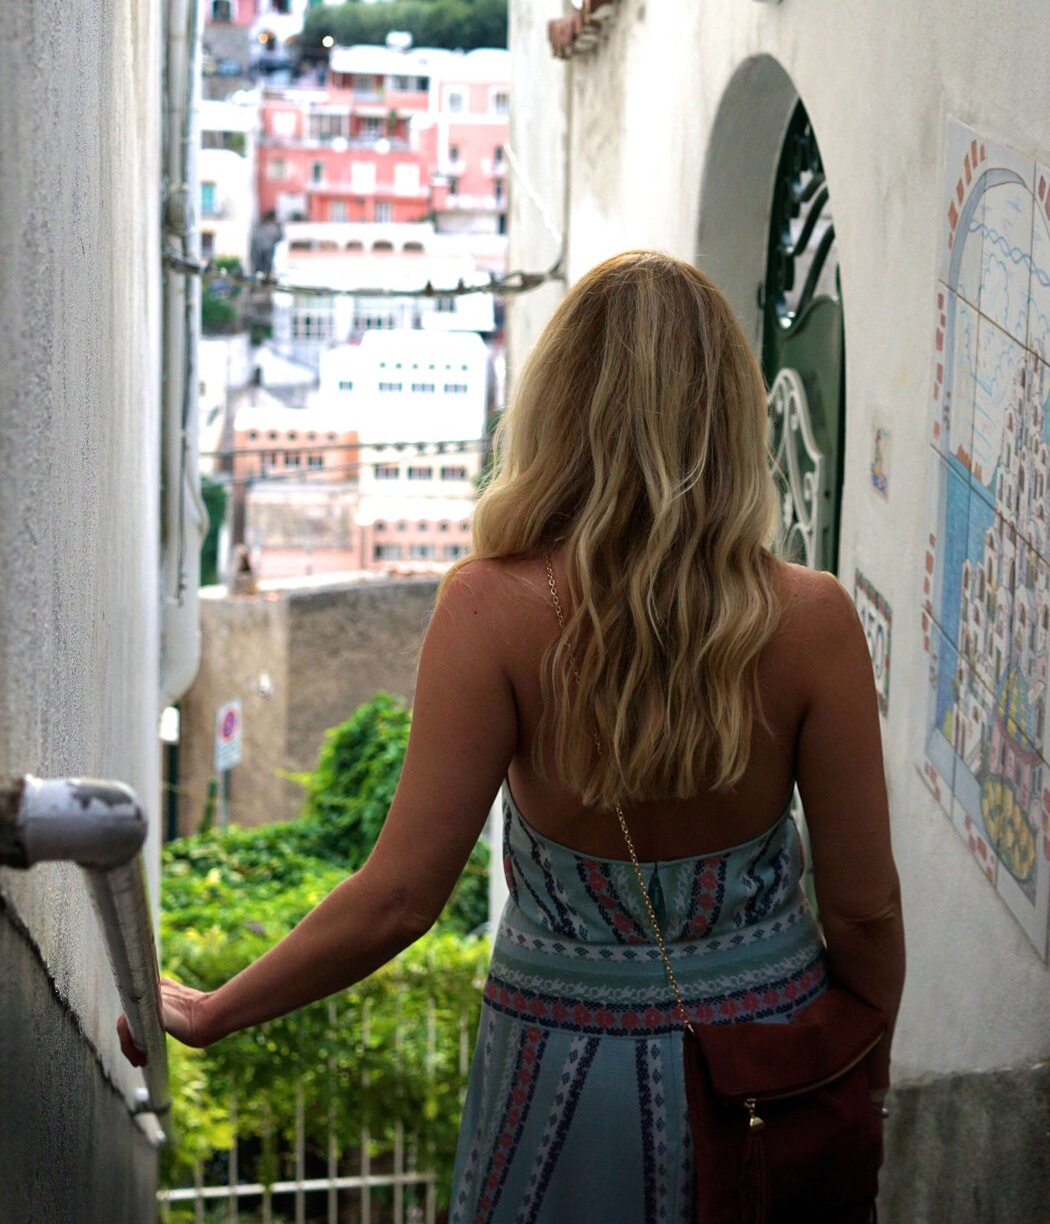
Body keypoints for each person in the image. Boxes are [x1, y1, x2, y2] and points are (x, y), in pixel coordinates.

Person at [122, 251, 905, 1221]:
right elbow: (864, 913)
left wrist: (212, 1010)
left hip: (566, 1087)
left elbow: (402, 897)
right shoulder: (815, 621)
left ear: (557, 406)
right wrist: (858, 1079)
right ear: (730, 416)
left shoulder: (490, 610)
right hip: (772, 1083)